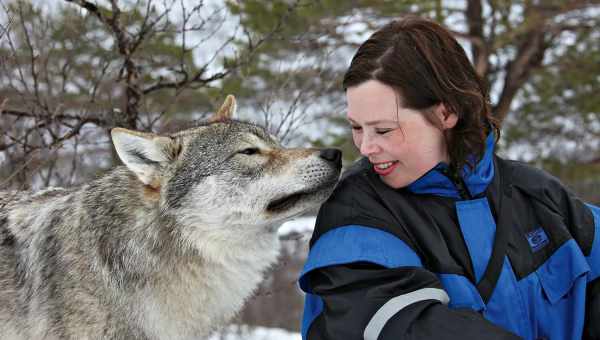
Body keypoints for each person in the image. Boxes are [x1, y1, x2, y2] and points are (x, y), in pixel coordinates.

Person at [298, 16, 600, 340]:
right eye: (357, 127)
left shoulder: (538, 196)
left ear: (446, 113)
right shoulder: (357, 214)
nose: (366, 147)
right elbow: (401, 328)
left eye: (383, 129)